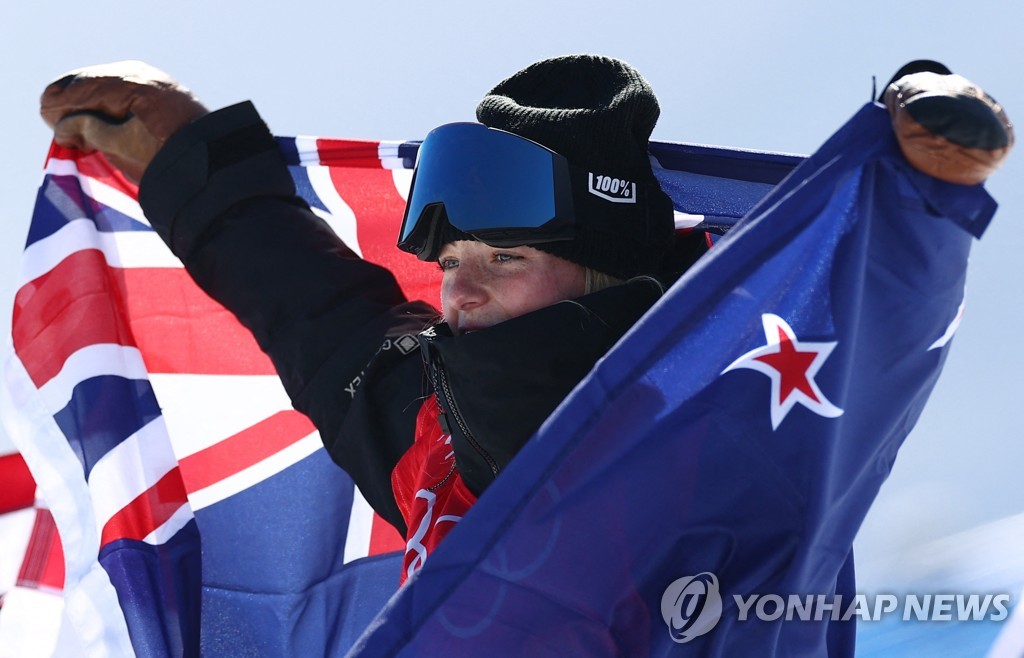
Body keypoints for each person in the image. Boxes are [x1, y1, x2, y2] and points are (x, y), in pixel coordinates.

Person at [39, 55, 1012, 588]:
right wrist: (185, 154)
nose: (456, 294)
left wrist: (913, 190)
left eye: (503, 257)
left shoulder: (723, 412)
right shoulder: (430, 421)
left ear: (605, 271)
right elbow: (308, 301)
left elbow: (878, 333)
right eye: (451, 261)